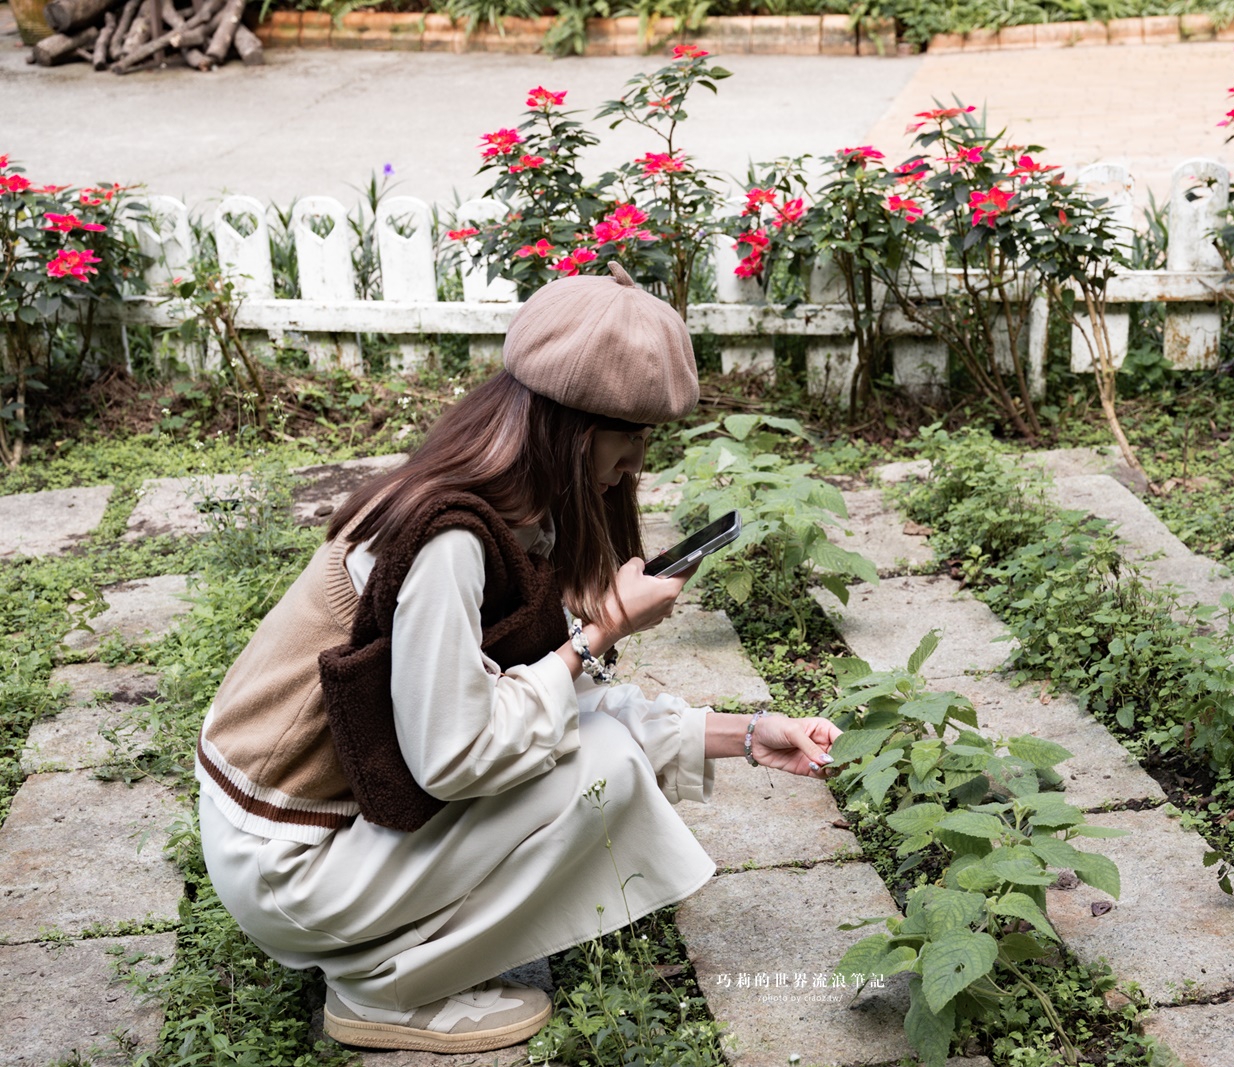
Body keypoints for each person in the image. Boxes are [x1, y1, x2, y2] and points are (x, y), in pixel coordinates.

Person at [195, 261, 840, 1055]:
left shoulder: (509, 516)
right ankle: (385, 985)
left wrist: (744, 733)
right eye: (632, 432)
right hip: (286, 861)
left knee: (581, 741)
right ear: (573, 429)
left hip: (322, 821)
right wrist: (594, 636)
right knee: (600, 768)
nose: (639, 460)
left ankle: (391, 943)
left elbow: (536, 701)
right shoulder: (449, 544)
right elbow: (455, 754)